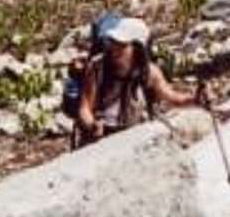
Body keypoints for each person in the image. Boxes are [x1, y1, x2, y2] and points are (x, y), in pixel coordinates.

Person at [75, 16, 202, 145]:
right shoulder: (97, 67)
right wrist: (92, 125)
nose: (115, 49)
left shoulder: (149, 73)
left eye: (122, 45)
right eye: (114, 42)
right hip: (101, 135)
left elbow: (172, 98)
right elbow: (85, 108)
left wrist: (196, 99)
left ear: (137, 48)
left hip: (132, 134)